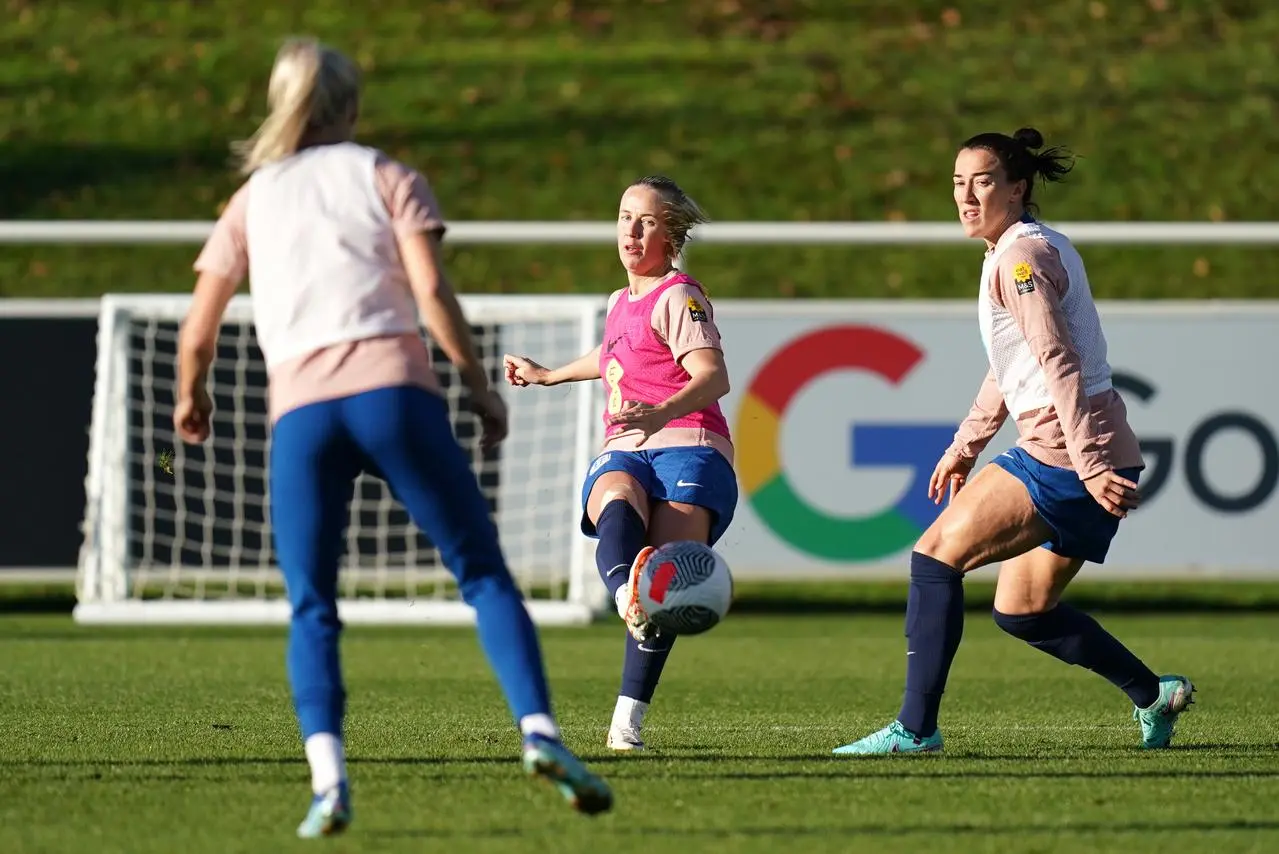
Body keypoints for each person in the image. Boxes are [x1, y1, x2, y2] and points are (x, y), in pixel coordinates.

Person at [173, 37, 611, 836]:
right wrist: (479, 390)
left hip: (302, 415)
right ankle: (540, 734)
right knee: (480, 573)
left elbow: (198, 331)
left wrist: (190, 396)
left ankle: (328, 784)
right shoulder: (385, 176)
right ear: (351, 106)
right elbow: (432, 294)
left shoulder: (252, 198)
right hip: (392, 395)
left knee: (312, 605)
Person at [833, 127, 1195, 756]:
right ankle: (1152, 694)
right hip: (1099, 447)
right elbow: (1013, 365)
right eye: (957, 182)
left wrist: (1084, 462)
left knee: (934, 555)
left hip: (1064, 449)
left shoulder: (1020, 258)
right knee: (1023, 609)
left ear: (1018, 188)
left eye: (983, 181)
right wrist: (966, 443)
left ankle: (915, 731)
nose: (966, 196)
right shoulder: (1024, 249)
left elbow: (1058, 360)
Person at [504, 175, 737, 752]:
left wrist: (660, 412)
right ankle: (627, 597)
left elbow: (714, 376)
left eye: (648, 221)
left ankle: (626, 722)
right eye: (624, 217)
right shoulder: (618, 300)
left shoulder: (680, 295)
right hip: (630, 442)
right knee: (613, 500)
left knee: (667, 582)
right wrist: (549, 374)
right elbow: (612, 355)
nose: (631, 231)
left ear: (672, 233)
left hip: (689, 442)